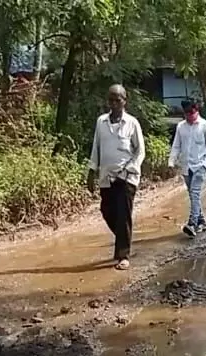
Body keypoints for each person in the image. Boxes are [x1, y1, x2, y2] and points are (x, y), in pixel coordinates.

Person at [88, 84, 146, 270]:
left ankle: (123, 255)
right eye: (111, 100)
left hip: (126, 178)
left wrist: (129, 169)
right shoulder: (101, 122)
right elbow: (96, 147)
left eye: (117, 100)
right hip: (106, 177)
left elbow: (140, 151)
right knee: (106, 210)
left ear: (124, 101)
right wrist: (91, 171)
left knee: (123, 215)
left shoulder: (132, 123)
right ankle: (124, 239)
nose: (114, 104)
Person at [168, 99, 206, 238]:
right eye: (187, 114)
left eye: (192, 113)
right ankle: (202, 221)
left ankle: (192, 223)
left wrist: (205, 163)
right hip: (186, 166)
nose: (190, 116)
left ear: (197, 111)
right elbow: (176, 145)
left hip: (200, 165)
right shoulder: (181, 127)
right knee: (192, 195)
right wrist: (171, 161)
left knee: (195, 193)